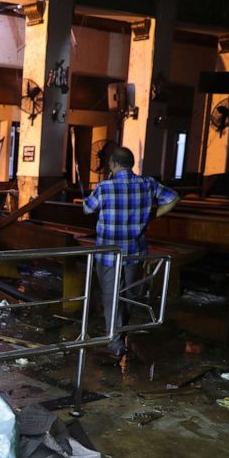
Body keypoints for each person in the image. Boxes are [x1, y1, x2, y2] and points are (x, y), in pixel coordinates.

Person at [82, 146, 179, 357]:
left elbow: (87, 208)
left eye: (110, 163)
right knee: (127, 295)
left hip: (109, 253)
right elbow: (173, 198)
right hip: (135, 251)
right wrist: (154, 216)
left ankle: (115, 343)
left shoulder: (105, 186)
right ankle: (119, 336)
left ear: (114, 164)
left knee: (111, 297)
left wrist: (107, 181)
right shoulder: (147, 183)